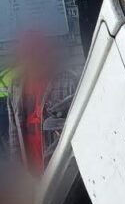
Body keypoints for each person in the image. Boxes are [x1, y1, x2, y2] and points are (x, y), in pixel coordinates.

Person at [6, 31, 80, 175]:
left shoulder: (69, 80)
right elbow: (14, 133)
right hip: (31, 173)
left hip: (61, 172)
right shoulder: (16, 86)